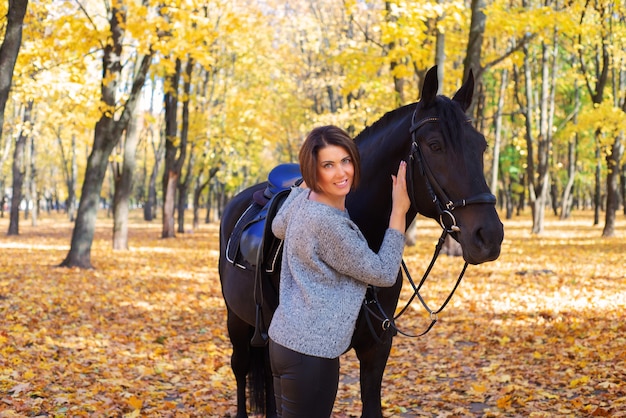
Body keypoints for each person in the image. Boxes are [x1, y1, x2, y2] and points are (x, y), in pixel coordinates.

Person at [268, 125, 411, 417]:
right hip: (311, 356)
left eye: (345, 160)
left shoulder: (305, 203)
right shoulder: (329, 224)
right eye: (328, 165)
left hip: (284, 343)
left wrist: (304, 186)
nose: (341, 172)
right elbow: (384, 274)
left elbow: (277, 226)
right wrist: (399, 212)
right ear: (313, 170)